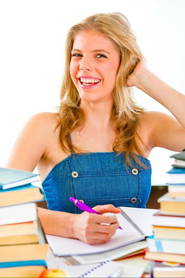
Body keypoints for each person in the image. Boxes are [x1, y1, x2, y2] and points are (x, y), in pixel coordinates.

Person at [6, 12, 185, 245]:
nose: (84, 66)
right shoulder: (44, 127)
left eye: (100, 56)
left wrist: (144, 78)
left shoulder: (147, 125)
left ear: (125, 64)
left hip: (136, 262)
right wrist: (73, 225)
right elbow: (5, 206)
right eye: (77, 55)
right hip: (67, 268)